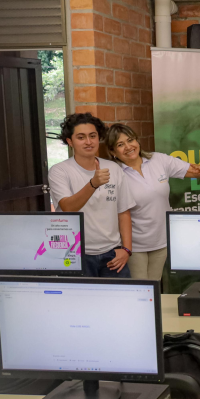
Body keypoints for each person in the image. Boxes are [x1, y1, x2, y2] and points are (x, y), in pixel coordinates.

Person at [105, 123, 200, 281]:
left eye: (130, 140)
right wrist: (125, 248)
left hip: (161, 241)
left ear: (137, 141)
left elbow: (194, 171)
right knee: (141, 290)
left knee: (154, 285)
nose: (128, 147)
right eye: (120, 144)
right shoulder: (113, 173)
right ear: (113, 152)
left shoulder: (157, 159)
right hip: (133, 246)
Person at [49, 113, 135, 278]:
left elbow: (123, 212)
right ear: (70, 141)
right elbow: (68, 208)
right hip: (75, 254)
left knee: (120, 295)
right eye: (81, 137)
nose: (88, 142)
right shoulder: (59, 171)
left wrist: (126, 249)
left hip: (113, 253)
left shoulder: (113, 168)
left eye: (93, 136)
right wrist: (93, 184)